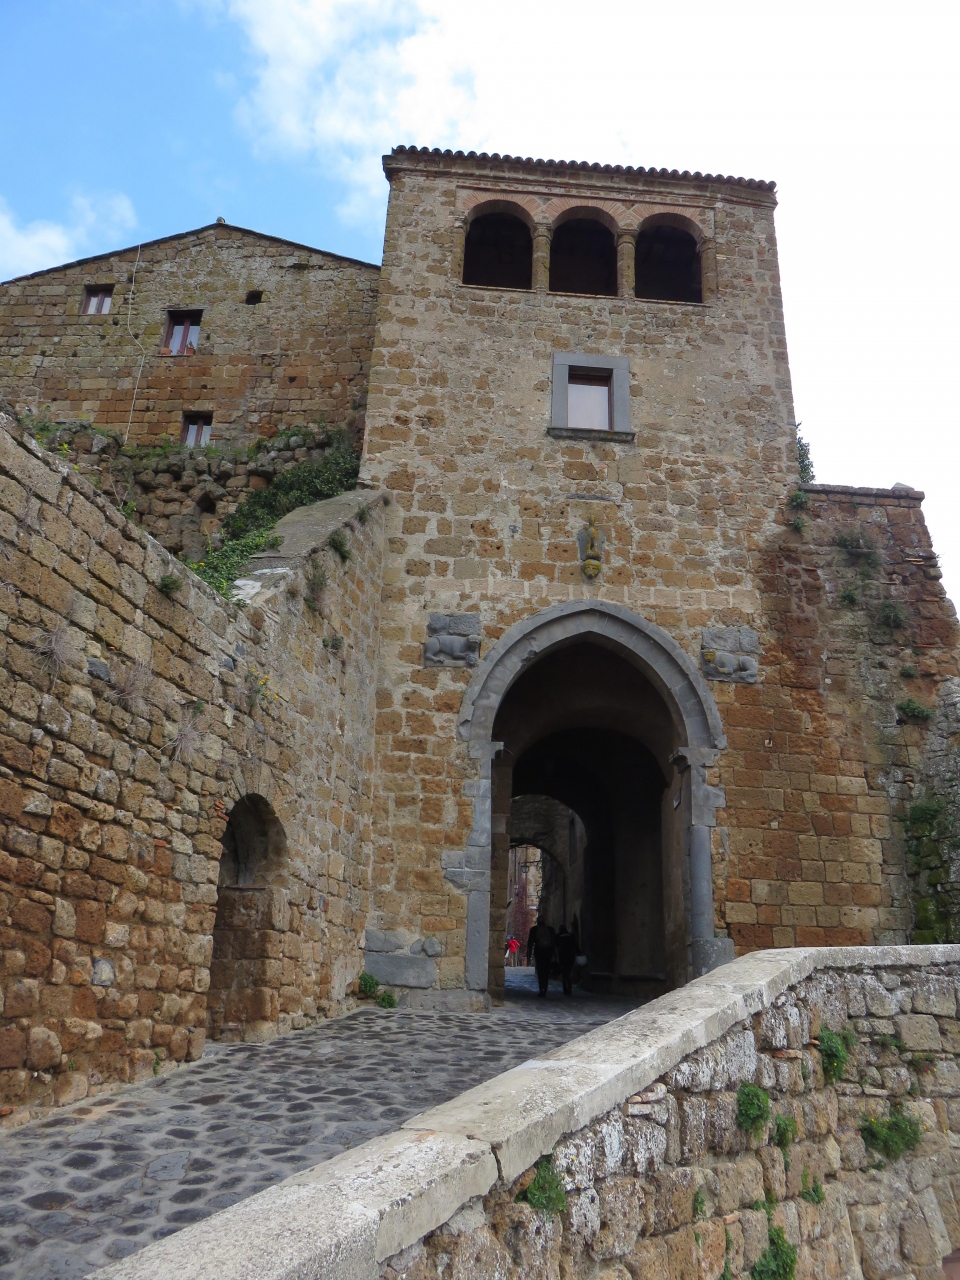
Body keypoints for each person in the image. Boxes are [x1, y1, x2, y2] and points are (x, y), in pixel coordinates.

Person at [526, 916, 556, 997]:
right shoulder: (550, 929)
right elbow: (554, 943)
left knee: (540, 971)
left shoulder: (534, 929)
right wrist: (555, 955)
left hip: (539, 952)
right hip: (548, 952)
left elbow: (530, 943)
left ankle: (541, 989)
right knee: (546, 971)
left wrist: (528, 956)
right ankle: (545, 989)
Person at [555, 923, 577, 996]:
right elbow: (575, 946)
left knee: (564, 972)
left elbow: (555, 946)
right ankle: (569, 987)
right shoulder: (571, 936)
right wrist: (579, 954)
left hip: (562, 957)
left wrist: (556, 957)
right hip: (571, 956)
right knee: (568, 972)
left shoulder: (558, 936)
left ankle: (566, 988)